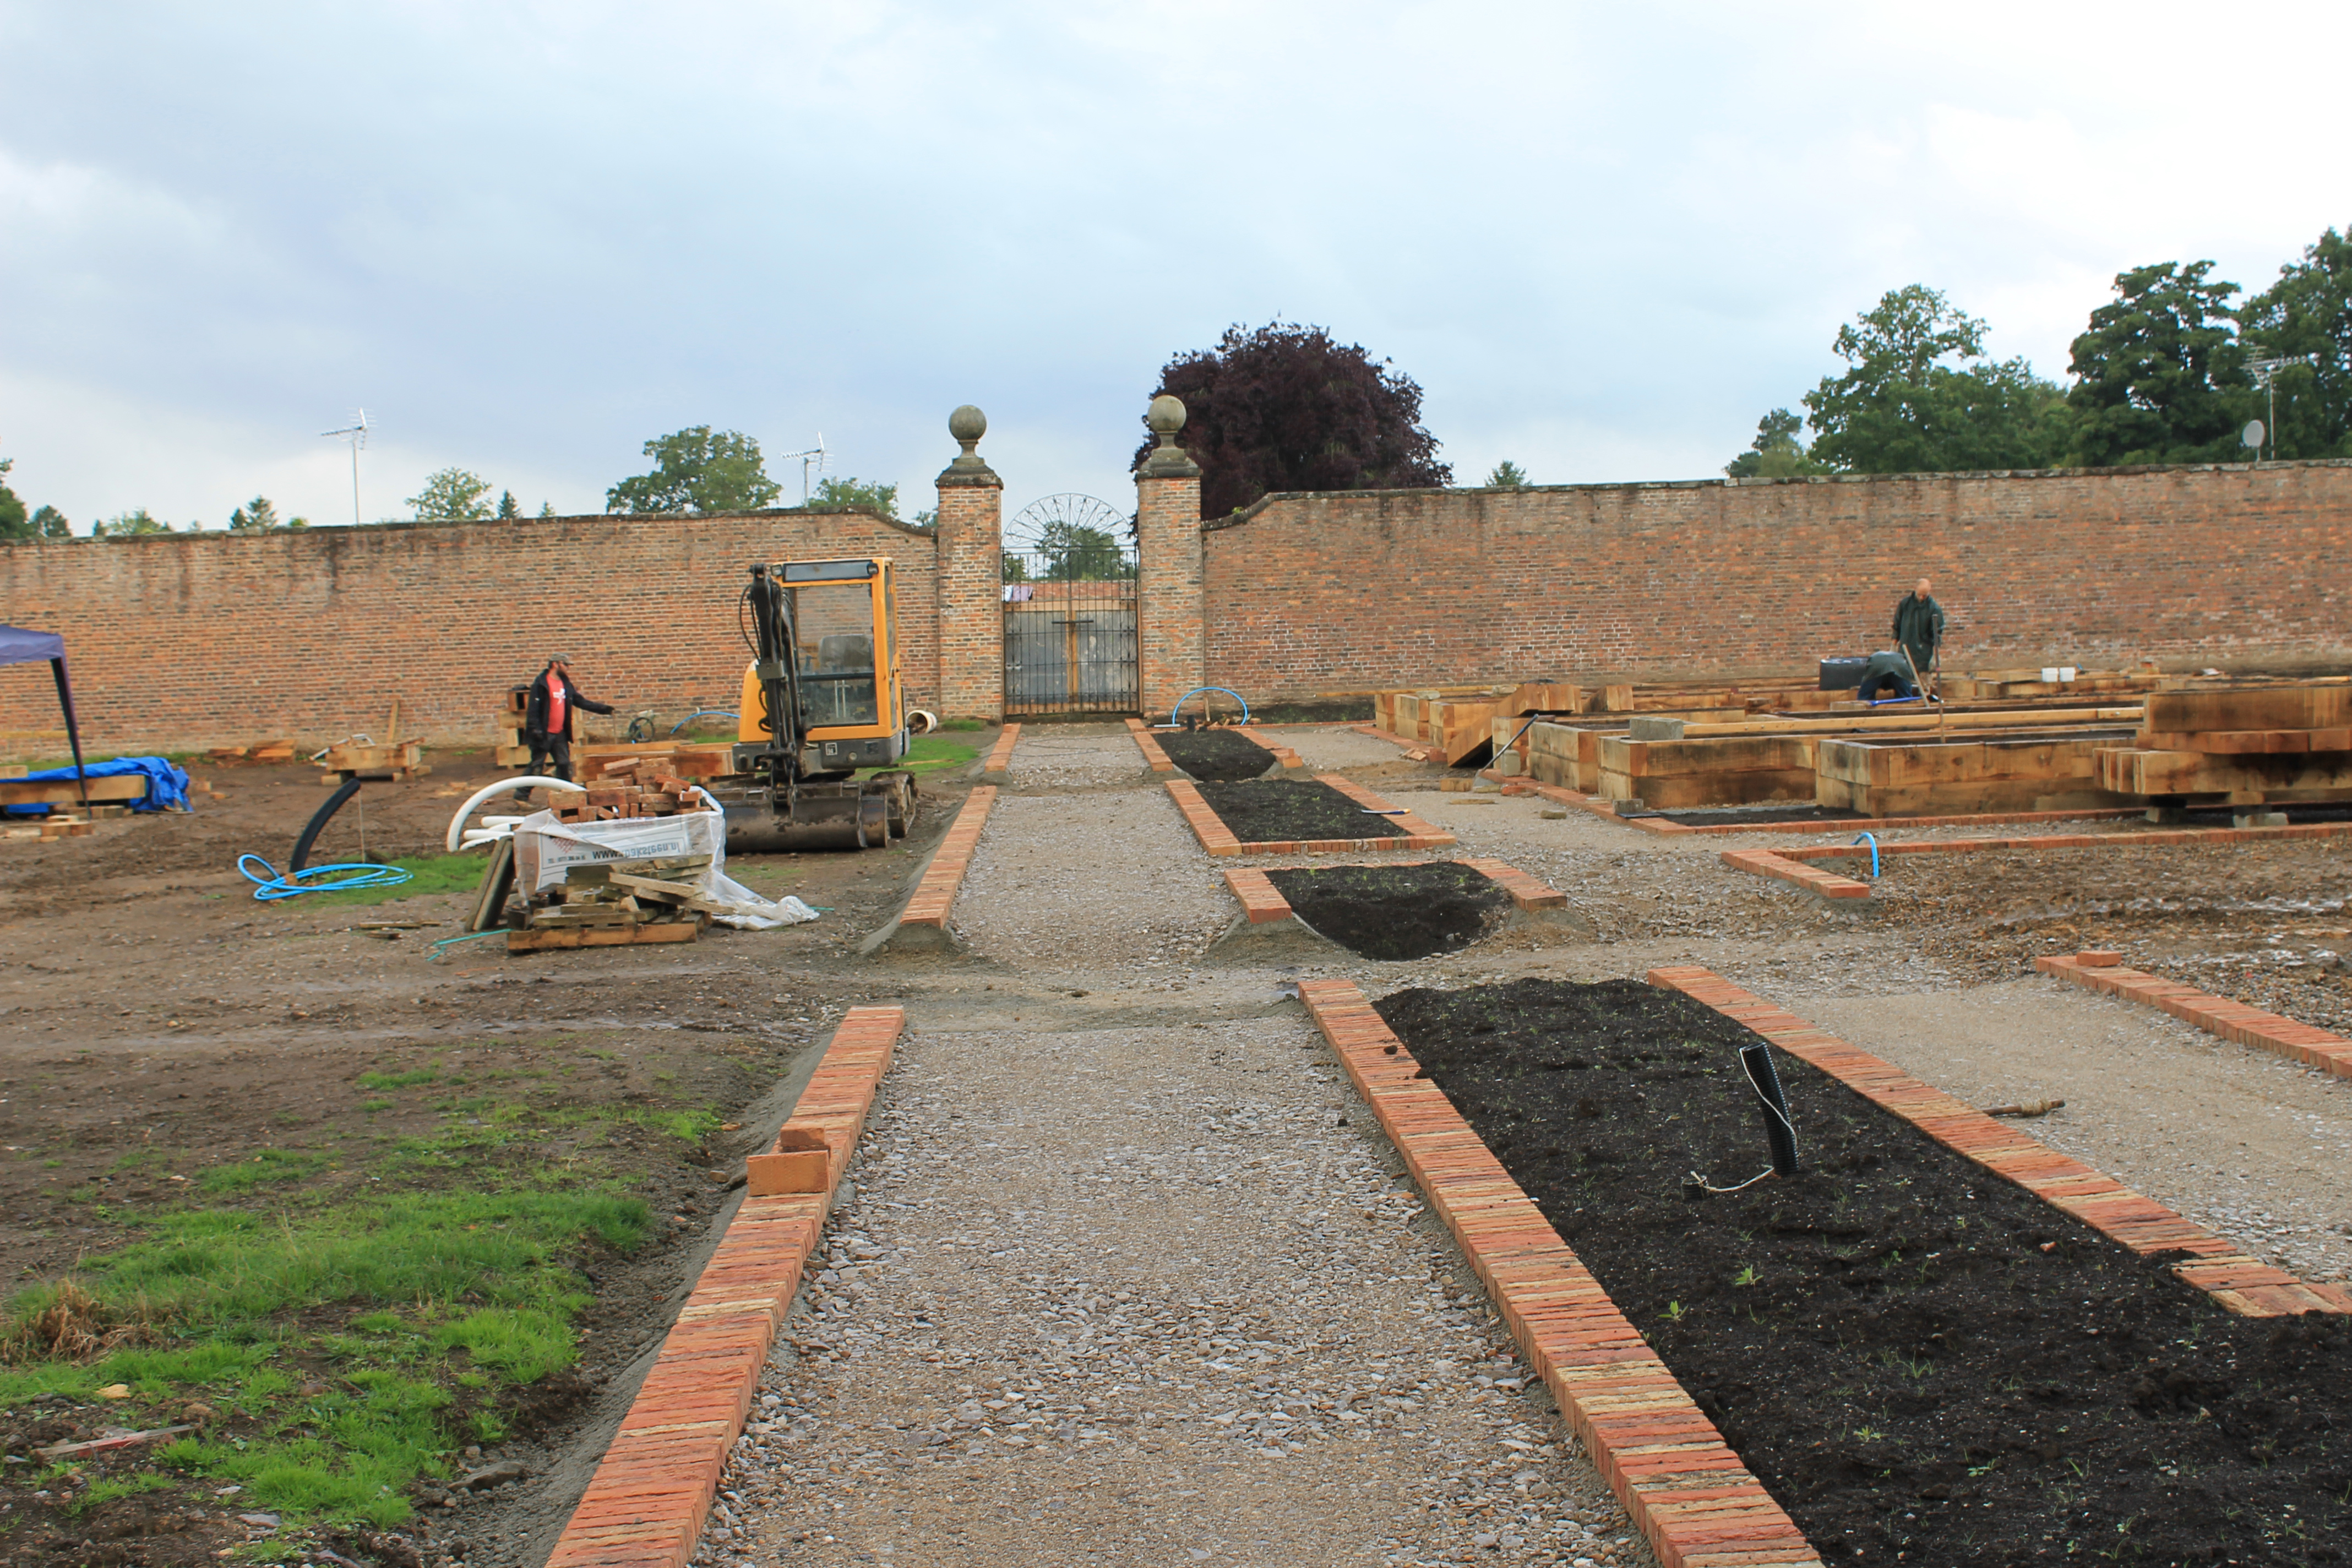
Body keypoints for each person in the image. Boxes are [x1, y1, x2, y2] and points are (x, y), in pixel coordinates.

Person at [523, 655, 614, 782]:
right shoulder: (541, 684)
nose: (568, 668)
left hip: (559, 734)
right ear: (555, 664)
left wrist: (603, 709)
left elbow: (580, 701)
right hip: (543, 733)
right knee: (536, 766)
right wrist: (535, 729)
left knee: (564, 765)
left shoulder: (565, 684)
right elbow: (533, 709)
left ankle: (566, 790)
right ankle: (522, 793)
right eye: (565, 665)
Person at [1893, 578, 1946, 682]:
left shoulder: (1934, 609)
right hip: (1905, 653)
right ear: (1915, 588)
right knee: (1904, 684)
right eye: (1920, 594)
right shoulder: (1905, 604)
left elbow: (1936, 634)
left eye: (1925, 595)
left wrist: (1935, 656)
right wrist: (1893, 646)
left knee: (1923, 686)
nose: (1922, 598)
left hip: (1923, 657)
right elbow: (1897, 625)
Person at [1853, 649, 1918, 704]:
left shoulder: (1874, 657)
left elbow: (1867, 682)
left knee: (1864, 698)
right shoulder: (1901, 658)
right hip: (1899, 666)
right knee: (1906, 698)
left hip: (1878, 665)